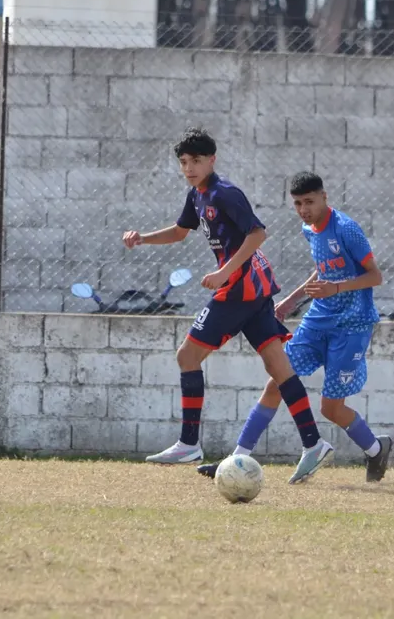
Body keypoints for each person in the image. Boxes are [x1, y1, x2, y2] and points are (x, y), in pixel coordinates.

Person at [122, 128, 335, 484]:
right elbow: (178, 232)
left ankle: (189, 442)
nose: (189, 168)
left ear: (212, 160)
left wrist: (223, 272)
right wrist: (142, 238)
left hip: (239, 289)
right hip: (254, 290)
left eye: (196, 161)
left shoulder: (225, 193)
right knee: (278, 367)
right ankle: (313, 443)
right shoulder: (197, 195)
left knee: (186, 357)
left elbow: (258, 233)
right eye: (184, 162)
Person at [197, 171, 394, 483]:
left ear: (324, 198)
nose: (304, 209)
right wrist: (291, 300)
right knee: (277, 380)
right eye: (298, 203)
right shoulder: (309, 229)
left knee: (331, 408)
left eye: (310, 202)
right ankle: (238, 458)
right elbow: (323, 270)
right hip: (318, 320)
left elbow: (375, 276)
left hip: (352, 325)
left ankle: (375, 449)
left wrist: (338, 288)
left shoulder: (346, 229)